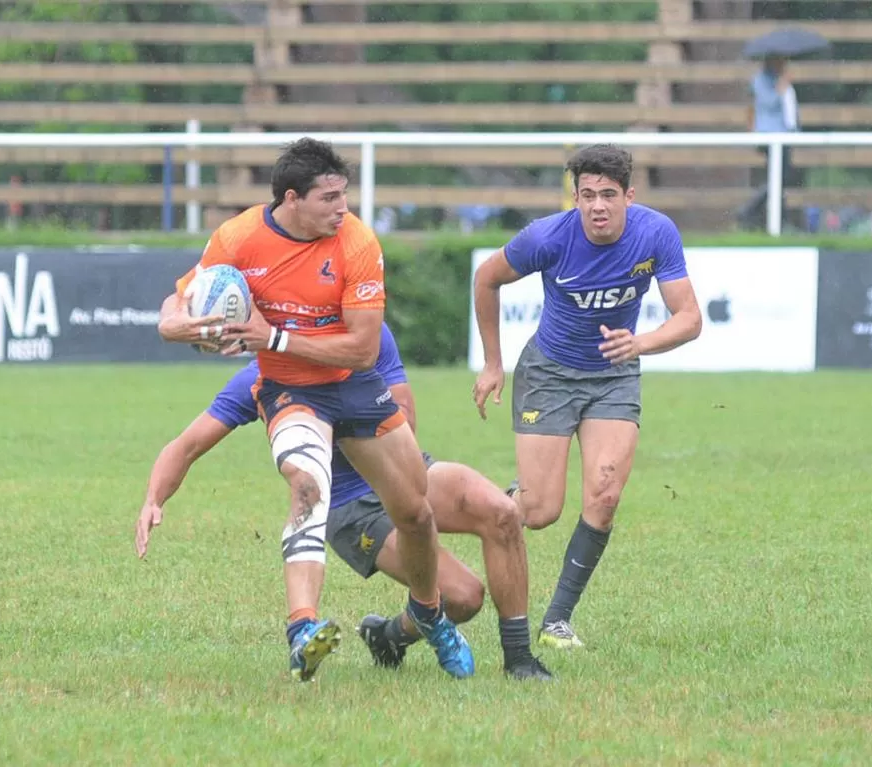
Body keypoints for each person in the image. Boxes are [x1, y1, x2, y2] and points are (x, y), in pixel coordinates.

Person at [158, 137, 472, 682]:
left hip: (354, 384)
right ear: (291, 199)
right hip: (290, 393)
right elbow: (185, 296)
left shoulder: (357, 243)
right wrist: (170, 322)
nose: (342, 208)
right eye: (329, 198)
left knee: (417, 513)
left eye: (343, 195)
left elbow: (363, 349)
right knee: (308, 486)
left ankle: (428, 612)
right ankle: (302, 627)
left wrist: (273, 337)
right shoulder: (239, 237)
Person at [135, 323, 552, 681]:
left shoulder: (368, 339)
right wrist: (154, 497)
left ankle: (516, 660)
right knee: (463, 598)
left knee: (502, 512)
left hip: (403, 474)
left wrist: (351, 406)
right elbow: (187, 445)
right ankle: (391, 633)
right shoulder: (259, 380)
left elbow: (405, 420)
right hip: (352, 508)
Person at [471, 144, 702, 650]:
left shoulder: (656, 233)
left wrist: (638, 343)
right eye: (587, 195)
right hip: (549, 374)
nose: (598, 206)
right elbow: (486, 278)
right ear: (574, 197)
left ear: (629, 196)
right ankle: (488, 507)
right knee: (538, 511)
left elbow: (689, 318)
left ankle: (556, 621)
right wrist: (493, 362)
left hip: (615, 374)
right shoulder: (548, 237)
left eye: (609, 195)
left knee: (605, 494)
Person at [741, 55, 802, 231]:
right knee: (778, 178)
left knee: (780, 179)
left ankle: (774, 219)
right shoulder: (759, 81)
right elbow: (768, 103)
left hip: (783, 135)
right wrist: (781, 87)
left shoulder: (777, 80)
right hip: (769, 134)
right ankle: (751, 211)